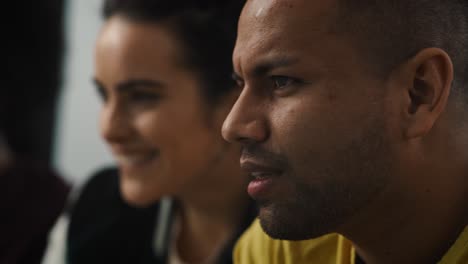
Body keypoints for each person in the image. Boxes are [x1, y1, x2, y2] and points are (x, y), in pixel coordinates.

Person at [222, 0, 468, 263]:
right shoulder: (280, 253)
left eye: (281, 81)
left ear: (418, 94)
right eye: (240, 83)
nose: (232, 126)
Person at [66, 1, 256, 264]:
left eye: (141, 97)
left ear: (232, 105)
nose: (109, 129)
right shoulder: (96, 209)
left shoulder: (302, 241)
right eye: (104, 95)